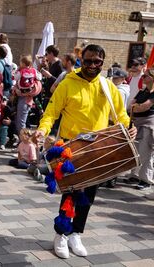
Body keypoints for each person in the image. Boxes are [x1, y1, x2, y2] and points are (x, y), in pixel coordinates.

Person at [35, 44, 137, 259]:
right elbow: (51, 112)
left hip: (97, 149)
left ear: (102, 62)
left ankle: (76, 233)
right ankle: (61, 234)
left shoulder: (108, 86)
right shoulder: (67, 84)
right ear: (81, 60)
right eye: (88, 61)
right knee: (70, 193)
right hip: (71, 149)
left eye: (97, 62)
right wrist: (42, 130)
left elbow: (120, 115)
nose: (92, 65)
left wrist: (130, 127)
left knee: (88, 196)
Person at [130, 68, 154, 192]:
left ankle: (146, 180)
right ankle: (135, 175)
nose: (142, 78)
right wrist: (135, 107)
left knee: (146, 152)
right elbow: (132, 104)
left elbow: (145, 106)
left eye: (145, 76)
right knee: (136, 150)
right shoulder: (143, 91)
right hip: (137, 123)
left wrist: (136, 107)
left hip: (148, 124)